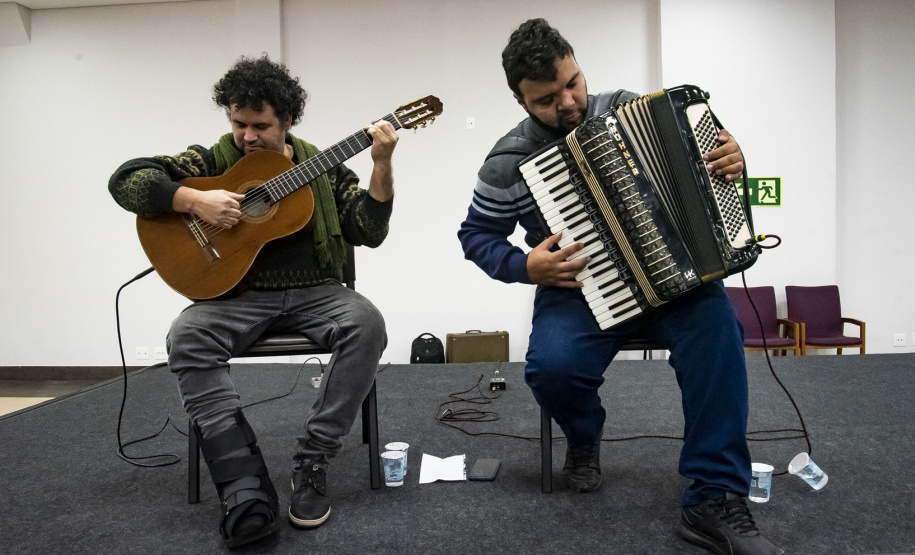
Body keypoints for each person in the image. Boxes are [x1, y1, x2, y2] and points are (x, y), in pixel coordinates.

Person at [458, 19, 782, 555]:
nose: (567, 102)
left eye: (572, 82)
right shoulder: (507, 162)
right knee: (552, 370)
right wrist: (526, 266)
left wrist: (732, 161)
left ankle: (714, 495)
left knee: (720, 333)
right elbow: (476, 235)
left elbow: (705, 175)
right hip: (577, 286)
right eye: (546, 99)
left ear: (578, 66)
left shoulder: (632, 108)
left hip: (674, 276)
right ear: (519, 100)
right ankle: (585, 434)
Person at [109, 55, 397, 548]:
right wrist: (193, 201)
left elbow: (367, 231)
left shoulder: (321, 168)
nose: (247, 136)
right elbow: (126, 180)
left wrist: (382, 164)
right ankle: (241, 480)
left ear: (287, 121)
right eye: (238, 124)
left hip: (316, 294)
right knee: (186, 334)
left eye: (260, 126)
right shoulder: (214, 161)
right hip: (234, 297)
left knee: (366, 323)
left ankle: (313, 459)